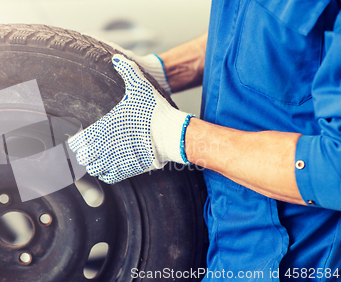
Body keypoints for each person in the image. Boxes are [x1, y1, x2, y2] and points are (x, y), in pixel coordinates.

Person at [69, 0, 341, 281]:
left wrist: (180, 136)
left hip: (298, 260)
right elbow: (259, 27)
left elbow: (335, 170)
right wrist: (161, 71)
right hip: (229, 241)